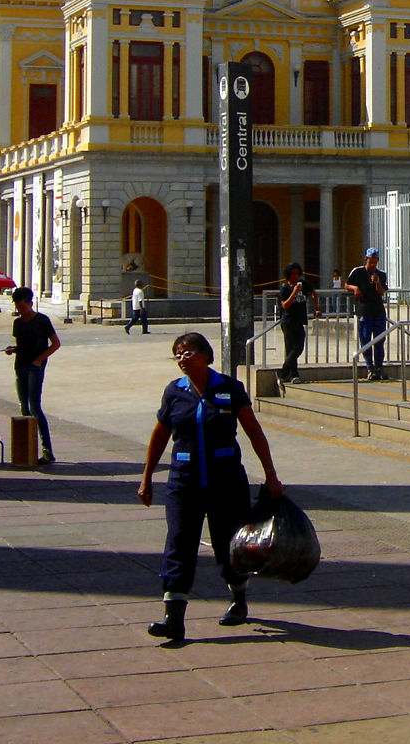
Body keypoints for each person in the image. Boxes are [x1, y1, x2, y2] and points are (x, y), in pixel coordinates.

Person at [137, 331, 284, 643]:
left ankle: (238, 598)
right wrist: (147, 477)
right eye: (178, 354)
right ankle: (173, 618)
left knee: (228, 544)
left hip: (226, 480)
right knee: (179, 542)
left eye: (188, 352)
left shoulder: (229, 389)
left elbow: (254, 432)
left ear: (206, 355)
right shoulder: (174, 392)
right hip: (184, 481)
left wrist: (271, 475)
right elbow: (160, 435)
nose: (182, 359)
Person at [3, 286, 61, 464]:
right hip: (20, 366)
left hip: (35, 367)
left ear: (30, 303)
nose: (20, 311)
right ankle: (27, 448)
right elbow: (22, 344)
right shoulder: (18, 323)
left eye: (22, 307)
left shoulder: (42, 320)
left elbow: (55, 344)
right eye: (18, 308)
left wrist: (39, 360)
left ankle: (47, 449)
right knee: (24, 408)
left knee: (35, 406)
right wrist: (13, 349)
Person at [344, 248, 389, 380]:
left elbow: (381, 292)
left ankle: (379, 366)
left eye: (375, 262)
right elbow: (346, 284)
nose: (373, 265)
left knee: (379, 339)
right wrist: (355, 288)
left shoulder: (381, 274)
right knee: (365, 339)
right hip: (364, 310)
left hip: (378, 311)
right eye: (370, 262)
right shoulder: (357, 272)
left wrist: (377, 282)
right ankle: (370, 367)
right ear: (366, 260)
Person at [277, 262, 319, 384]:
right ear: (288, 275)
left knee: (298, 347)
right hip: (288, 321)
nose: (295, 276)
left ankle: (283, 372)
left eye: (297, 274)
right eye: (292, 274)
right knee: (291, 348)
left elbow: (313, 293)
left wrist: (316, 308)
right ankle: (293, 375)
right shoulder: (285, 288)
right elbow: (285, 305)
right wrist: (294, 293)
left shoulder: (303, 284)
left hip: (300, 320)